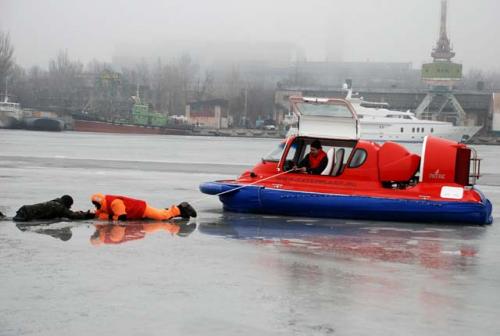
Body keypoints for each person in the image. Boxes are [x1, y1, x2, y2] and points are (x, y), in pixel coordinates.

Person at [90, 193, 197, 221]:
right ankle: (178, 212)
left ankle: (182, 208)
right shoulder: (104, 204)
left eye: (95, 204)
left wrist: (108, 217)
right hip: (137, 212)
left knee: (162, 217)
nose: (95, 206)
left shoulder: (114, 203)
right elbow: (99, 213)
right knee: (159, 215)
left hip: (140, 209)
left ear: (99, 202)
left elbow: (121, 217)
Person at [90, 221, 196, 246]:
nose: (94, 233)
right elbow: (121, 230)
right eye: (94, 235)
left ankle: (178, 228)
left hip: (139, 229)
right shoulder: (109, 238)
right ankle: (180, 229)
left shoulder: (106, 235)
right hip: (139, 230)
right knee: (160, 225)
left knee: (160, 224)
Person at [13, 195, 94, 222]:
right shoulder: (58, 206)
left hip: (25, 210)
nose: (69, 207)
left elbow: (66, 212)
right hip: (26, 214)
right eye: (69, 205)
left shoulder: (55, 203)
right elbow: (71, 215)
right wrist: (85, 215)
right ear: (66, 203)